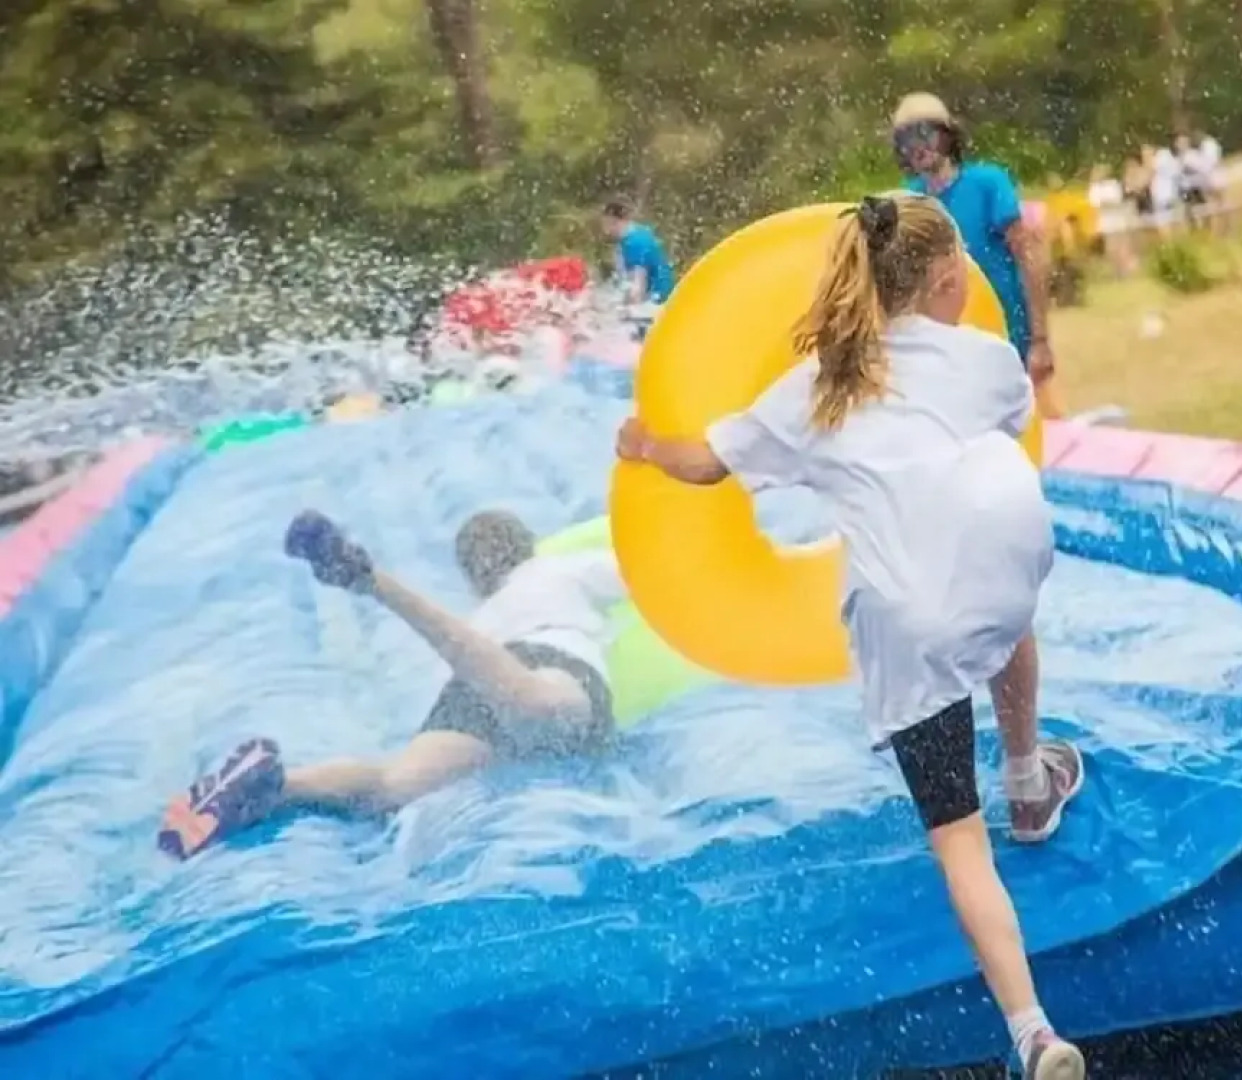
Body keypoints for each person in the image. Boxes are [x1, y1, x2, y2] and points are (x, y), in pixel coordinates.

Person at [615, 193, 1087, 1080]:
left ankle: (1033, 1033)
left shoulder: (817, 388)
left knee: (958, 840)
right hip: (1001, 572)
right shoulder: (985, 360)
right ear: (951, 279)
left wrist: (643, 446)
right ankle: (1029, 779)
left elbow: (705, 464)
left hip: (906, 619)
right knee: (1001, 605)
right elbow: (990, 436)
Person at [157, 509, 625, 860]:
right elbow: (647, 571)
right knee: (538, 703)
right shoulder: (557, 568)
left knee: (392, 787)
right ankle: (372, 582)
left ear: (472, 577)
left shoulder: (483, 613)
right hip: (549, 659)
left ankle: (282, 787)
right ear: (529, 546)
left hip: (472, 678)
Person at [889, 93, 1056, 393]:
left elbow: (1028, 257)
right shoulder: (912, 201)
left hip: (1008, 339)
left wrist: (1040, 340)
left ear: (946, 135)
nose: (917, 145)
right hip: (948, 352)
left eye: (924, 132)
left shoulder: (988, 183)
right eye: (906, 138)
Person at [599, 196, 676, 306]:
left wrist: (617, 306)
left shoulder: (636, 242)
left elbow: (638, 288)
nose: (605, 230)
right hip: (659, 297)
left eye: (605, 224)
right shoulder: (636, 233)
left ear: (613, 221)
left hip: (658, 303)